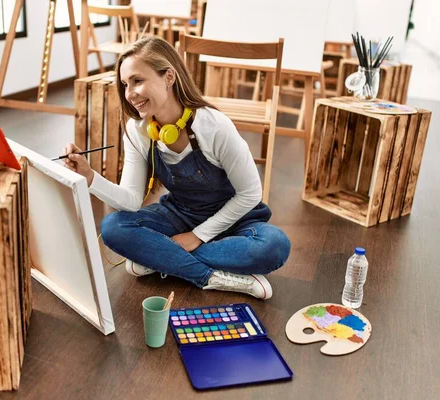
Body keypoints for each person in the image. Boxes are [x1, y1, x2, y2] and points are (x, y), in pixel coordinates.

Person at [63, 36, 290, 300]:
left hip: (236, 221)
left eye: (137, 81)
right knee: (113, 226)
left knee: (274, 246)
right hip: (179, 215)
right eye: (125, 84)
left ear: (169, 77)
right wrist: (90, 177)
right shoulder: (138, 130)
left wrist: (197, 236)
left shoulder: (214, 126)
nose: (129, 93)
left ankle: (160, 258)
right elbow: (131, 200)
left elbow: (250, 195)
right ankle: (211, 277)